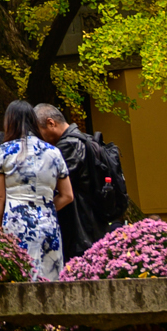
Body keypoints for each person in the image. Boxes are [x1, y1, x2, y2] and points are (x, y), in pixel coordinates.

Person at [0, 100, 73, 282]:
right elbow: (67, 195)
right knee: (51, 276)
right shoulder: (54, 152)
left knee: (21, 277)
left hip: (15, 221)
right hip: (48, 220)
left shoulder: (3, 151)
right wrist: (46, 208)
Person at [37, 105, 114, 259]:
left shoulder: (69, 146)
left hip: (79, 226)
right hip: (91, 223)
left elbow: (54, 186)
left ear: (51, 123)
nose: (39, 138)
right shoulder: (83, 139)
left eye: (39, 131)